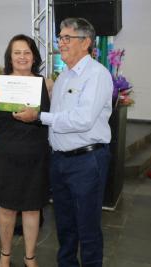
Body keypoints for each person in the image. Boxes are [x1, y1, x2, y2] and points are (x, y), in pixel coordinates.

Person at [14, 18, 113, 267]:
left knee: (88, 227)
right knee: (65, 226)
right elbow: (57, 119)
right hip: (60, 160)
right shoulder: (63, 77)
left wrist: (37, 116)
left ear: (86, 42)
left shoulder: (97, 75)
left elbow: (82, 120)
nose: (61, 43)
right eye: (60, 37)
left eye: (68, 38)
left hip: (87, 161)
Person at [0, 34, 50, 267]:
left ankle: (30, 257)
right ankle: (5, 255)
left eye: (27, 52)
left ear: (34, 57)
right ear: (10, 57)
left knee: (32, 209)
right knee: (6, 208)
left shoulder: (45, 84)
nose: (22, 57)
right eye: (17, 52)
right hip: (5, 155)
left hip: (35, 156)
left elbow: (53, 119)